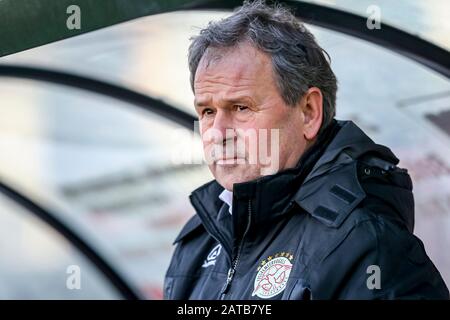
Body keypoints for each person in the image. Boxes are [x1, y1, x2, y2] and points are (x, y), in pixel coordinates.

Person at [164, 0, 449, 299]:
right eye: (207, 112)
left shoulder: (363, 241)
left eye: (240, 107)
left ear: (309, 112)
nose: (217, 134)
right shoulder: (199, 241)